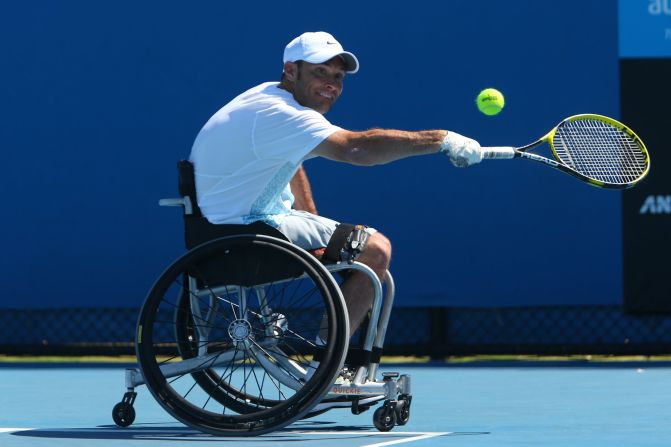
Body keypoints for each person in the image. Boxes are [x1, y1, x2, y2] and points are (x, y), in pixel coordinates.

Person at [189, 31, 483, 342]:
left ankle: (327, 359)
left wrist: (312, 219)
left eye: (338, 76)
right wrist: (442, 141)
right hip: (245, 236)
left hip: (219, 232)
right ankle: (326, 360)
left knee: (355, 244)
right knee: (376, 249)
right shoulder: (282, 114)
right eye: (320, 72)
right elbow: (356, 149)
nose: (332, 83)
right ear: (291, 71)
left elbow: (291, 160)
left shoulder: (264, 98)